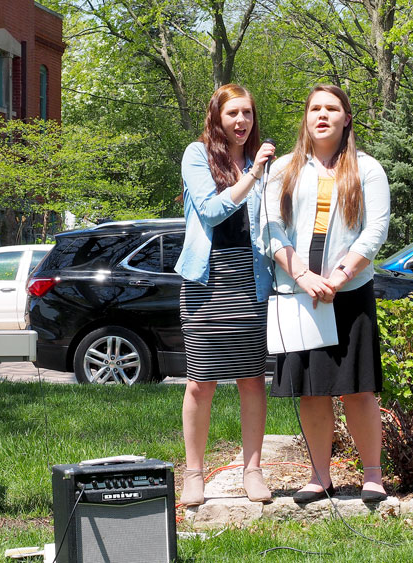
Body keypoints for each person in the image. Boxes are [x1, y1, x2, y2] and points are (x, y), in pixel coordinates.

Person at [261, 84, 390, 503]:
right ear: (306, 117)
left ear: (346, 118)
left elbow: (375, 230)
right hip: (300, 295)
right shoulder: (283, 169)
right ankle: (320, 477)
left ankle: (373, 476)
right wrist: (300, 274)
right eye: (315, 108)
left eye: (332, 109)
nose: (322, 115)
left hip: (348, 293)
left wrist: (338, 276)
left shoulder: (368, 169)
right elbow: (270, 229)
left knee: (358, 389)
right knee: (313, 391)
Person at [175, 84, 277, 506]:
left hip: (249, 280)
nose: (241, 122)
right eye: (233, 113)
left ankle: (252, 471)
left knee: (253, 380)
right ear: (217, 116)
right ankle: (194, 474)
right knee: (201, 383)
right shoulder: (197, 155)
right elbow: (213, 210)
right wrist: (253, 177)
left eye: (248, 114)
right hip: (206, 282)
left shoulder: (262, 163)